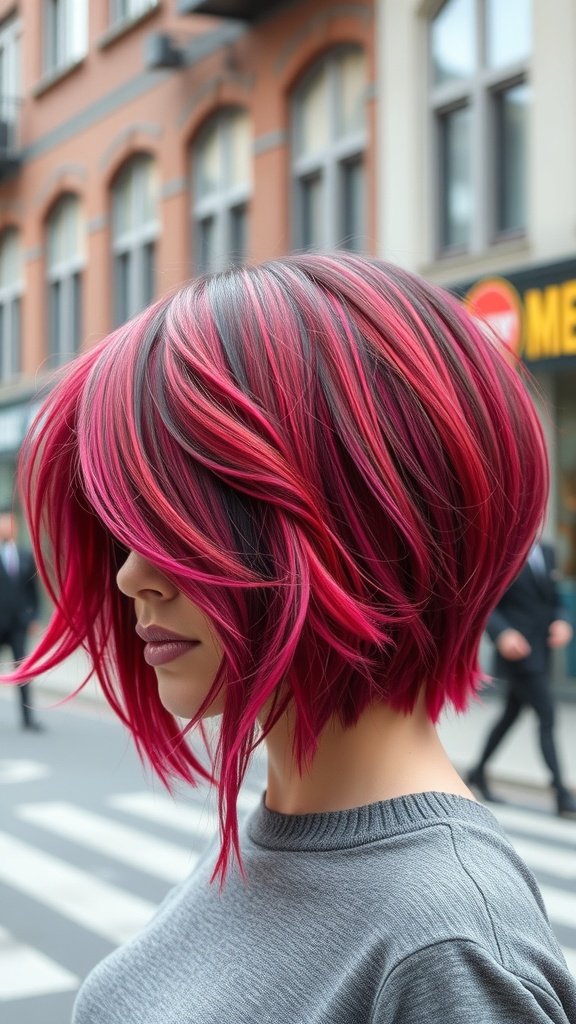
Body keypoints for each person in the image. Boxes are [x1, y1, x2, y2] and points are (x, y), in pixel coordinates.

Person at [6, 254, 576, 1023]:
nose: (130, 575)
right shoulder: (276, 834)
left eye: (185, 518)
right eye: (129, 526)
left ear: (364, 519)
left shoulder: (447, 947)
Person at [468, 541, 576, 816]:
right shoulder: (504, 550)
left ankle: (478, 771)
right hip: (518, 653)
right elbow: (486, 601)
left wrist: (562, 620)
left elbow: (553, 600)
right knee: (547, 714)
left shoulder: (548, 551)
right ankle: (561, 794)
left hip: (541, 651)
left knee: (510, 715)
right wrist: (502, 632)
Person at [0, 509, 42, 730]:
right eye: (3, 522)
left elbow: (33, 591)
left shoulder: (25, 556)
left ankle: (28, 719)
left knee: (23, 672)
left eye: (10, 523)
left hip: (18, 625)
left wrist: (34, 617)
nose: (7, 526)